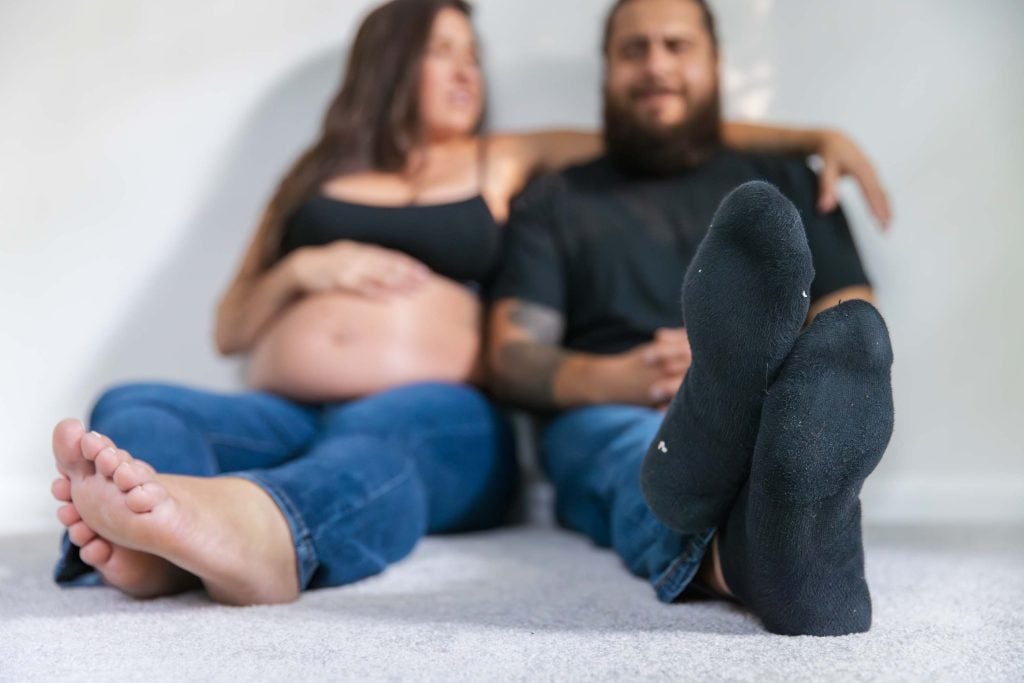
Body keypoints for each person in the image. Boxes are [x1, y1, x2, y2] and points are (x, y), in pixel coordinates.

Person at [49, 0, 888, 606]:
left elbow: (658, 126)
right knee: (131, 405)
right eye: (443, 50)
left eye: (474, 56)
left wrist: (811, 139)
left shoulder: (503, 160)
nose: (467, 71)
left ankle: (271, 535)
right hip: (280, 405)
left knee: (389, 440)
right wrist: (306, 269)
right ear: (389, 60)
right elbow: (231, 323)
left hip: (435, 405)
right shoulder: (308, 179)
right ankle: (154, 551)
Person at [486, 0, 894, 636]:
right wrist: (624, 377)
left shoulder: (789, 178)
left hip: (766, 413)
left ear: (715, 62)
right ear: (606, 71)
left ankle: (755, 523)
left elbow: (850, 331)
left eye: (677, 46)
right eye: (634, 50)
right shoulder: (556, 198)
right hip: (614, 409)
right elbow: (511, 355)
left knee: (778, 428)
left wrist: (760, 375)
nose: (656, 66)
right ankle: (772, 559)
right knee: (628, 453)